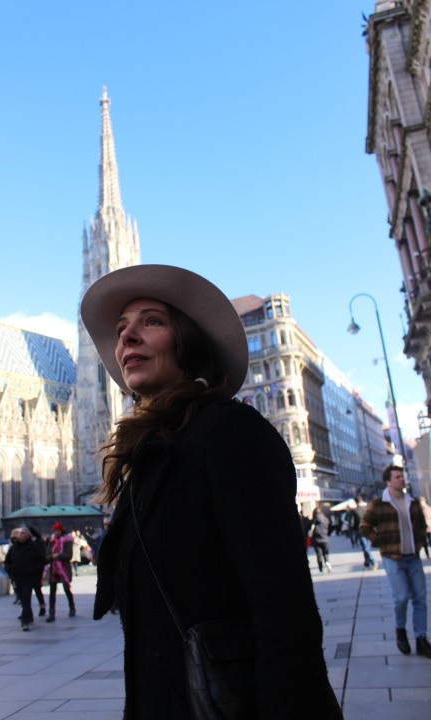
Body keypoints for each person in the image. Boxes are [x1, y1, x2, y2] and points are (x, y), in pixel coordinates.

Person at [82, 264, 342, 719]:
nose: (126, 337)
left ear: (189, 342)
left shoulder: (230, 434)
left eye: (151, 321)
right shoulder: (150, 454)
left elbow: (284, 611)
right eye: (121, 329)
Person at [360, 465, 431, 658]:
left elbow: (421, 525)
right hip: (393, 558)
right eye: (397, 477)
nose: (402, 479)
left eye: (402, 476)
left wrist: (420, 542)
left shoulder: (412, 502)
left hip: (413, 557)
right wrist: (380, 542)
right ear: (388, 481)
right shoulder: (378, 504)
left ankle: (421, 638)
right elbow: (364, 526)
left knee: (420, 599)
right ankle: (400, 630)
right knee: (401, 598)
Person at [4, 527, 46, 631]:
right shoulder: (14, 548)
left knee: (26, 597)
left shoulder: (34, 547)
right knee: (22, 598)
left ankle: (25, 620)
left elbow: (42, 560)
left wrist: (35, 570)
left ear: (28, 535)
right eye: (20, 534)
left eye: (23, 533)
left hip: (29, 576)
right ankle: (29, 615)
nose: (20, 535)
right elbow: (7, 561)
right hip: (17, 576)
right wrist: (10, 570)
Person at [45, 522, 76, 622]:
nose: (56, 533)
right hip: (53, 569)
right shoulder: (52, 541)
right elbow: (47, 555)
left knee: (66, 589)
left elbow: (69, 556)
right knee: (52, 592)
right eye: (55, 531)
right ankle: (51, 613)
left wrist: (58, 555)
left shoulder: (67, 540)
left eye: (58, 530)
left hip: (64, 568)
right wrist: (52, 556)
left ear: (61, 531)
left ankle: (72, 607)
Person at [351, 496, 378, 570]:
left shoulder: (355, 511)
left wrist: (353, 530)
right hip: (370, 530)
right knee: (367, 547)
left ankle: (373, 562)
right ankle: (367, 563)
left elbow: (353, 523)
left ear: (356, 502)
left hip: (361, 530)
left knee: (365, 548)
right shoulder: (367, 508)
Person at [309, 507, 332, 573]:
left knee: (319, 554)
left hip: (316, 539)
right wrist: (327, 534)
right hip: (325, 539)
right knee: (326, 553)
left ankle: (320, 567)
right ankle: (327, 562)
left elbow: (307, 528)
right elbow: (330, 527)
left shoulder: (313, 521)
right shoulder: (326, 519)